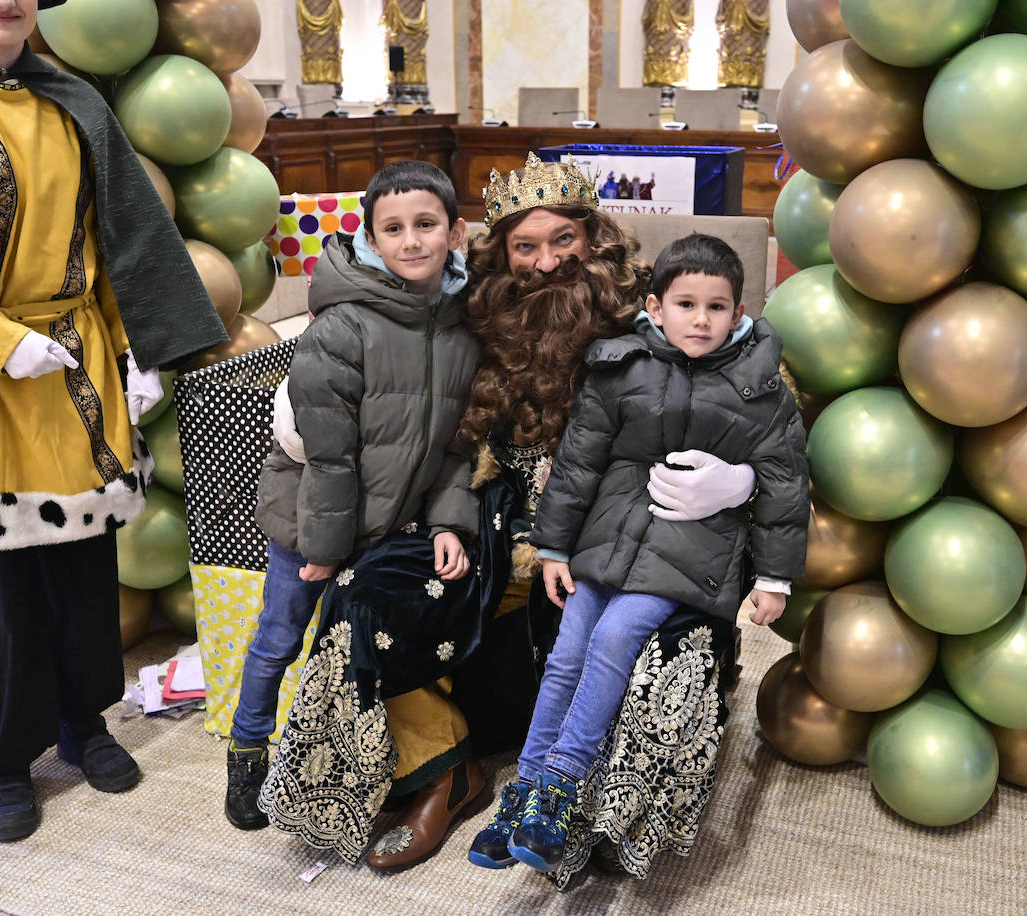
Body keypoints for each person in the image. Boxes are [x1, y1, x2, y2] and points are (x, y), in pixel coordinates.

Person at [262, 154, 758, 881]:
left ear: (596, 242)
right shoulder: (474, 320)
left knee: (653, 641)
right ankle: (443, 771)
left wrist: (738, 481)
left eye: (564, 241)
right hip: (494, 527)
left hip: (630, 535)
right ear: (501, 254)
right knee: (371, 590)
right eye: (526, 247)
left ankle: (590, 807)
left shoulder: (651, 310)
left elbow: (753, 365)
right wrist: (447, 522)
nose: (548, 262)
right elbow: (429, 426)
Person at [0, 0, 228, 842]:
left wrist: (138, 345)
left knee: (84, 572)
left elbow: (121, 235)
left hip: (80, 368)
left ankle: (84, 722)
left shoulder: (73, 99)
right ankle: (6, 756)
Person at [468, 233, 809, 873]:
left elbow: (786, 487)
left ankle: (560, 788)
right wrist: (555, 547)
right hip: (606, 540)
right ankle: (524, 791)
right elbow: (577, 463)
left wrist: (775, 578)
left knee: (614, 639)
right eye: (686, 304)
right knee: (566, 653)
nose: (701, 319)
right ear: (654, 305)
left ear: (739, 312)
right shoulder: (619, 365)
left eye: (717, 306)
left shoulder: (760, 387)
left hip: (688, 548)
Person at [224, 160, 482, 835]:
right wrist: (322, 549)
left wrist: (449, 521)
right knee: (280, 636)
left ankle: (355, 758)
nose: (412, 241)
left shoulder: (461, 328)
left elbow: (457, 444)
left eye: (426, 224)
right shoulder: (341, 327)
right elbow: (329, 456)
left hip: (392, 526)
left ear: (455, 231)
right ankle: (247, 751)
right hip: (312, 520)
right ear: (369, 236)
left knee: (354, 646)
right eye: (392, 228)